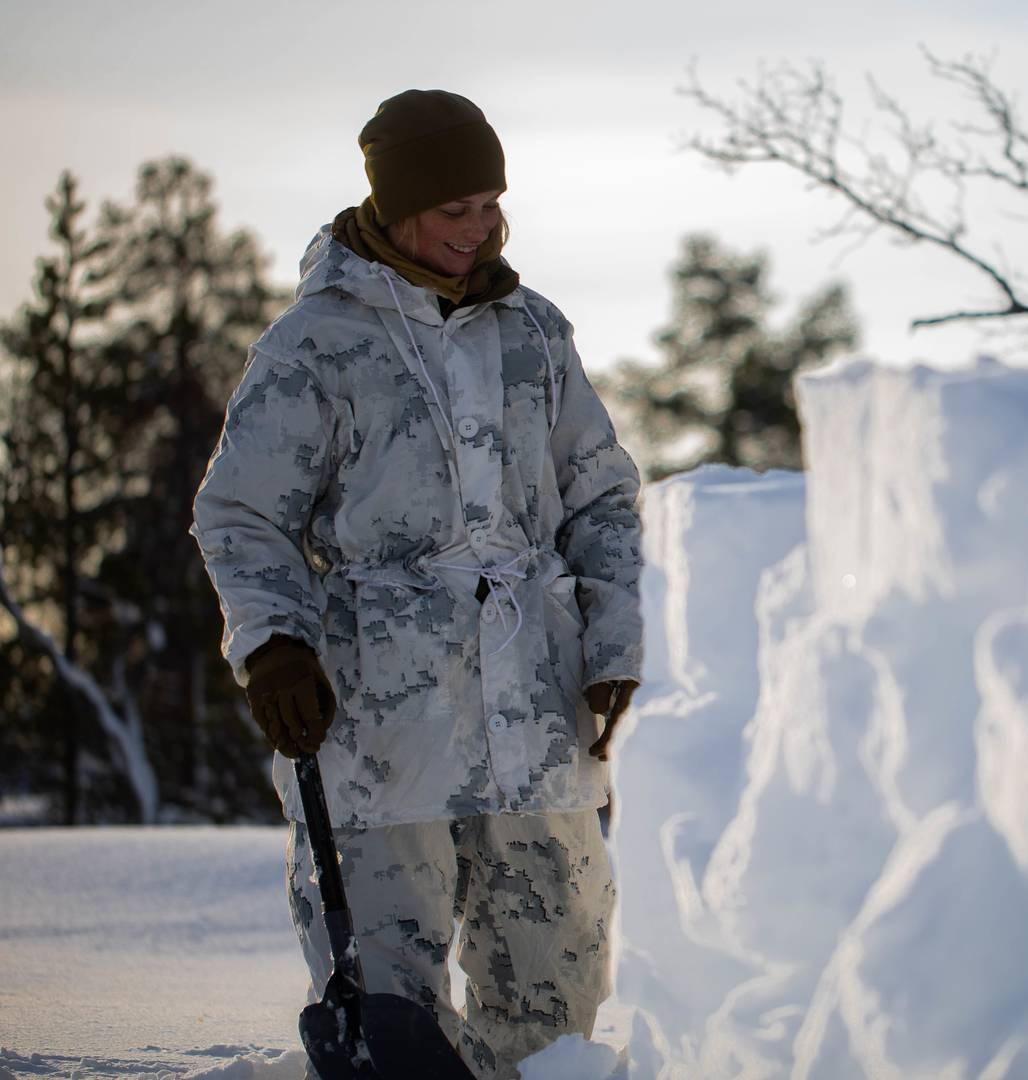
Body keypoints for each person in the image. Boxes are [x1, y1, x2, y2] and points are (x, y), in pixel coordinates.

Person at [191, 89, 641, 1079]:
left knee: (554, 1016)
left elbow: (603, 498)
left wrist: (614, 647)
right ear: (394, 208)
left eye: (491, 203)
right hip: (382, 728)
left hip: (536, 719)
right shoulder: (314, 346)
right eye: (454, 209)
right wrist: (272, 642)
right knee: (395, 1026)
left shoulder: (533, 335)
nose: (478, 228)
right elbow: (243, 511)